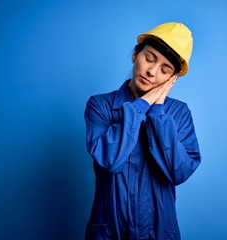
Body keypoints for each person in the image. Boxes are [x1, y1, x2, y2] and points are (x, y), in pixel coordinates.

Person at [84, 22, 201, 240]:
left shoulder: (179, 114)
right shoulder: (99, 106)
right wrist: (141, 106)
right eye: (149, 58)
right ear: (135, 54)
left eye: (165, 70)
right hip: (109, 233)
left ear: (171, 79)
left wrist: (157, 114)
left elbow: (179, 172)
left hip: (158, 233)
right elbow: (110, 160)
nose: (151, 72)